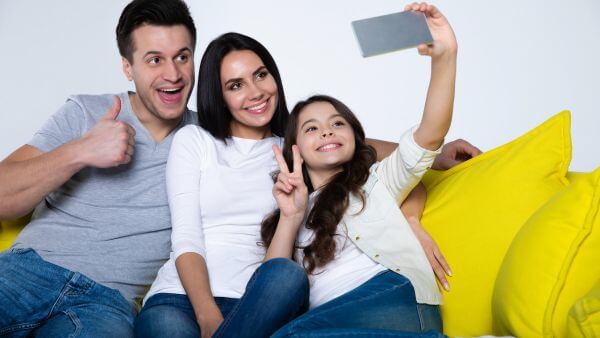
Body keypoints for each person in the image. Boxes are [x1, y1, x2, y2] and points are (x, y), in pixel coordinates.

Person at [0, 0, 197, 336]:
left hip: (106, 304)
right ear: (128, 67)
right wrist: (80, 151)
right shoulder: (86, 111)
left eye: (183, 56)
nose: (173, 74)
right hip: (28, 271)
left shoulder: (209, 141)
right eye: (155, 60)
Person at [262, 3, 456, 336]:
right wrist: (291, 216)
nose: (326, 131)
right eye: (311, 128)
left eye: (337, 123)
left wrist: (446, 55)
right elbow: (267, 297)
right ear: (295, 148)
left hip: (393, 298)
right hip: (335, 323)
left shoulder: (376, 182)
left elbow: (430, 133)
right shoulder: (293, 208)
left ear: (354, 136)